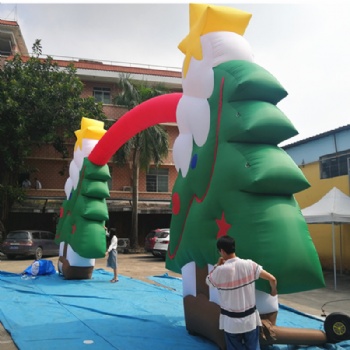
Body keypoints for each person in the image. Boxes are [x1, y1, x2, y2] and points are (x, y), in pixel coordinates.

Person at [206, 235, 277, 350]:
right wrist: (274, 291)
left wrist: (217, 266)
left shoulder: (219, 271)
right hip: (250, 320)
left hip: (231, 323)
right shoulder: (249, 265)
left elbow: (209, 281)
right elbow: (272, 279)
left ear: (222, 251)